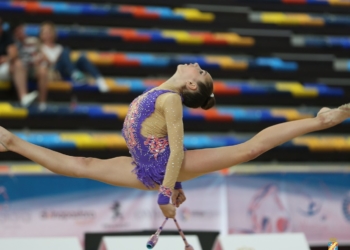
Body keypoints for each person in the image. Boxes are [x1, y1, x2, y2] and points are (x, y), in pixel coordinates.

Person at [0, 63, 349, 219]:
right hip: (145, 165)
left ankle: (322, 121)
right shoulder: (159, 92)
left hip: (161, 164)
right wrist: (172, 185)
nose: (196, 64)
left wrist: (167, 192)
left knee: (250, 148)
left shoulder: (170, 100)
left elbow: (178, 148)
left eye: (200, 72)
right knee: (82, 166)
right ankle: (11, 141)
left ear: (192, 86)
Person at [39, 21, 109, 93]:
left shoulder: (59, 47)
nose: (47, 35)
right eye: (45, 32)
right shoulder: (40, 48)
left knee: (82, 58)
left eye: (49, 32)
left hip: (66, 69)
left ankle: (99, 79)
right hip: (54, 71)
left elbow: (67, 61)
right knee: (65, 52)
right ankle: (76, 74)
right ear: (41, 35)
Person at [0, 18, 38, 107]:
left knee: (18, 63)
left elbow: (13, 54)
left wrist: (5, 58)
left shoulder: (6, 36)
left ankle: (23, 97)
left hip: (3, 68)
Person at [13, 23, 49, 111]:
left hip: (33, 68)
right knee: (19, 64)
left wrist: (39, 59)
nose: (20, 33)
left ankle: (42, 104)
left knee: (43, 71)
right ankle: (23, 97)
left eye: (21, 30)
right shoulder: (13, 44)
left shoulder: (33, 41)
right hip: (20, 70)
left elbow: (44, 57)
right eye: (18, 32)